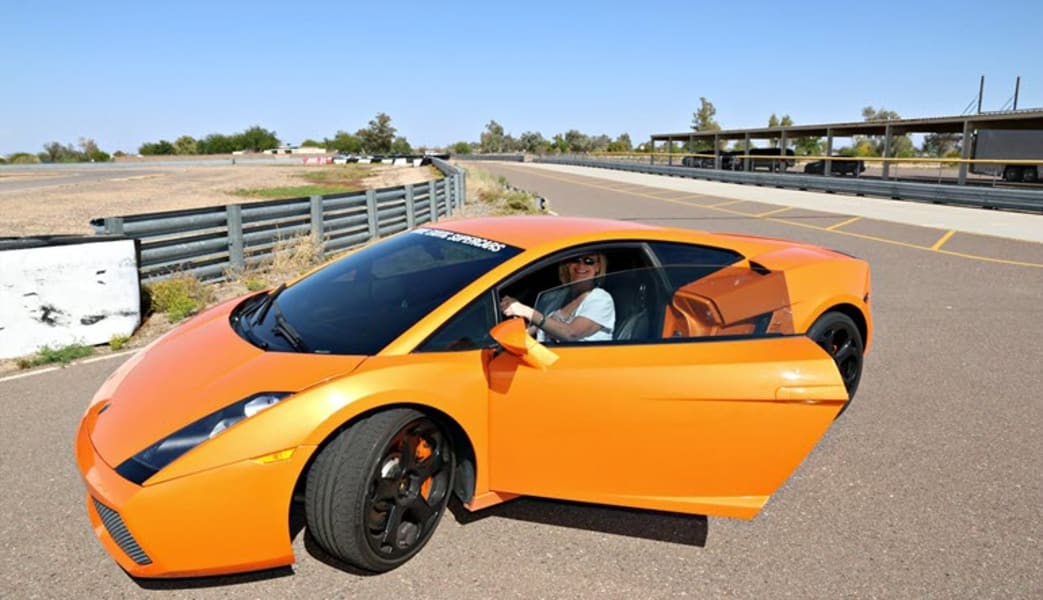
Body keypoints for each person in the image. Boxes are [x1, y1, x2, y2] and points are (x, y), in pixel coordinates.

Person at [500, 253, 615, 343]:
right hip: (548, 363)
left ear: (598, 267)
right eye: (575, 259)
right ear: (567, 265)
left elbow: (571, 333)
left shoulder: (601, 299)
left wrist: (526, 311)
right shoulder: (556, 296)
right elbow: (539, 327)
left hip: (583, 368)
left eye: (588, 261)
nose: (581, 266)